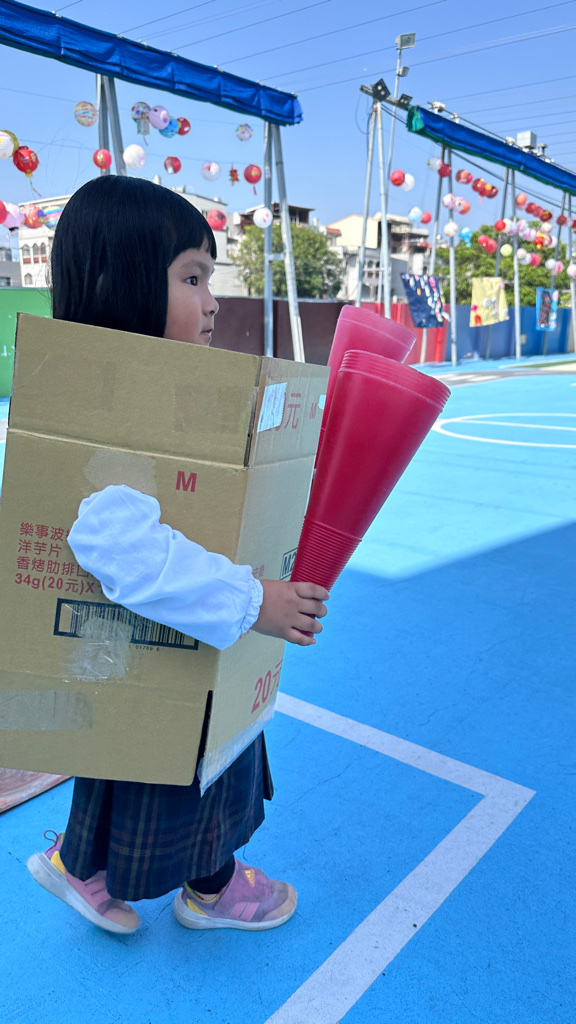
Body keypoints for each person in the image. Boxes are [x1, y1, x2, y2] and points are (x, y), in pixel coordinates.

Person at [26, 175, 329, 936]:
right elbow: (119, 547)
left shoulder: (150, 396)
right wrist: (254, 600)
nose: (212, 301)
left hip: (146, 663)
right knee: (198, 773)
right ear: (119, 285)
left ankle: (81, 867)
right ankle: (212, 888)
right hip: (174, 654)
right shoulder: (116, 415)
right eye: (192, 278)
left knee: (129, 766)